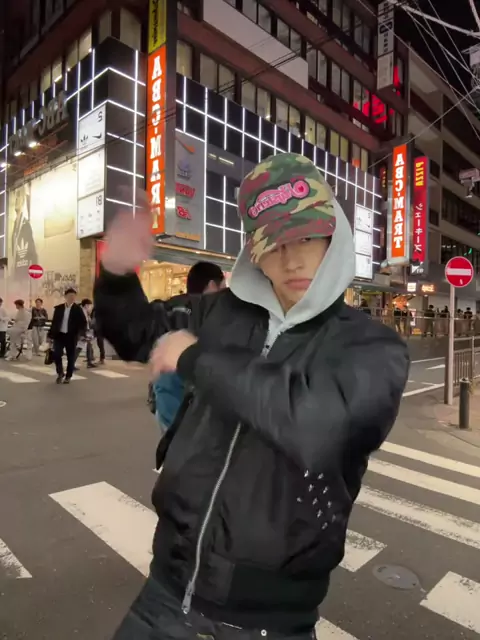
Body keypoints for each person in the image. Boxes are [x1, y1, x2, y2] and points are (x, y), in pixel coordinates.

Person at [94, 153, 409, 640]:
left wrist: (197, 359)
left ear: (334, 238)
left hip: (270, 621)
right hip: (165, 591)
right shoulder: (218, 313)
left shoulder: (371, 346)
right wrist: (116, 274)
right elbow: (138, 333)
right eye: (276, 244)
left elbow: (318, 426)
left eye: (307, 238)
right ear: (254, 253)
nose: (293, 259)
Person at [149, 261, 226, 435]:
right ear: (212, 285)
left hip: (164, 400)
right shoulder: (212, 310)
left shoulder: (169, 306)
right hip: (192, 406)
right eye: (223, 286)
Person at [48, 288, 87, 384]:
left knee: (71, 356)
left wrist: (81, 334)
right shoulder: (59, 308)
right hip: (59, 335)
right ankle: (60, 373)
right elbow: (54, 323)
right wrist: (50, 335)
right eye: (70, 296)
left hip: (71, 336)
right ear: (65, 297)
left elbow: (83, 323)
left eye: (73, 296)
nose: (72, 298)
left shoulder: (78, 309)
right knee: (57, 355)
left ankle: (68, 376)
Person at [78, 298, 96, 369]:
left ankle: (89, 362)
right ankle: (71, 363)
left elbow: (88, 322)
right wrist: (82, 334)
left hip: (86, 332)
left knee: (88, 346)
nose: (90, 307)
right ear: (86, 305)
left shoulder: (86, 312)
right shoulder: (81, 312)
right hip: (82, 333)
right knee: (79, 348)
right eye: (89, 306)